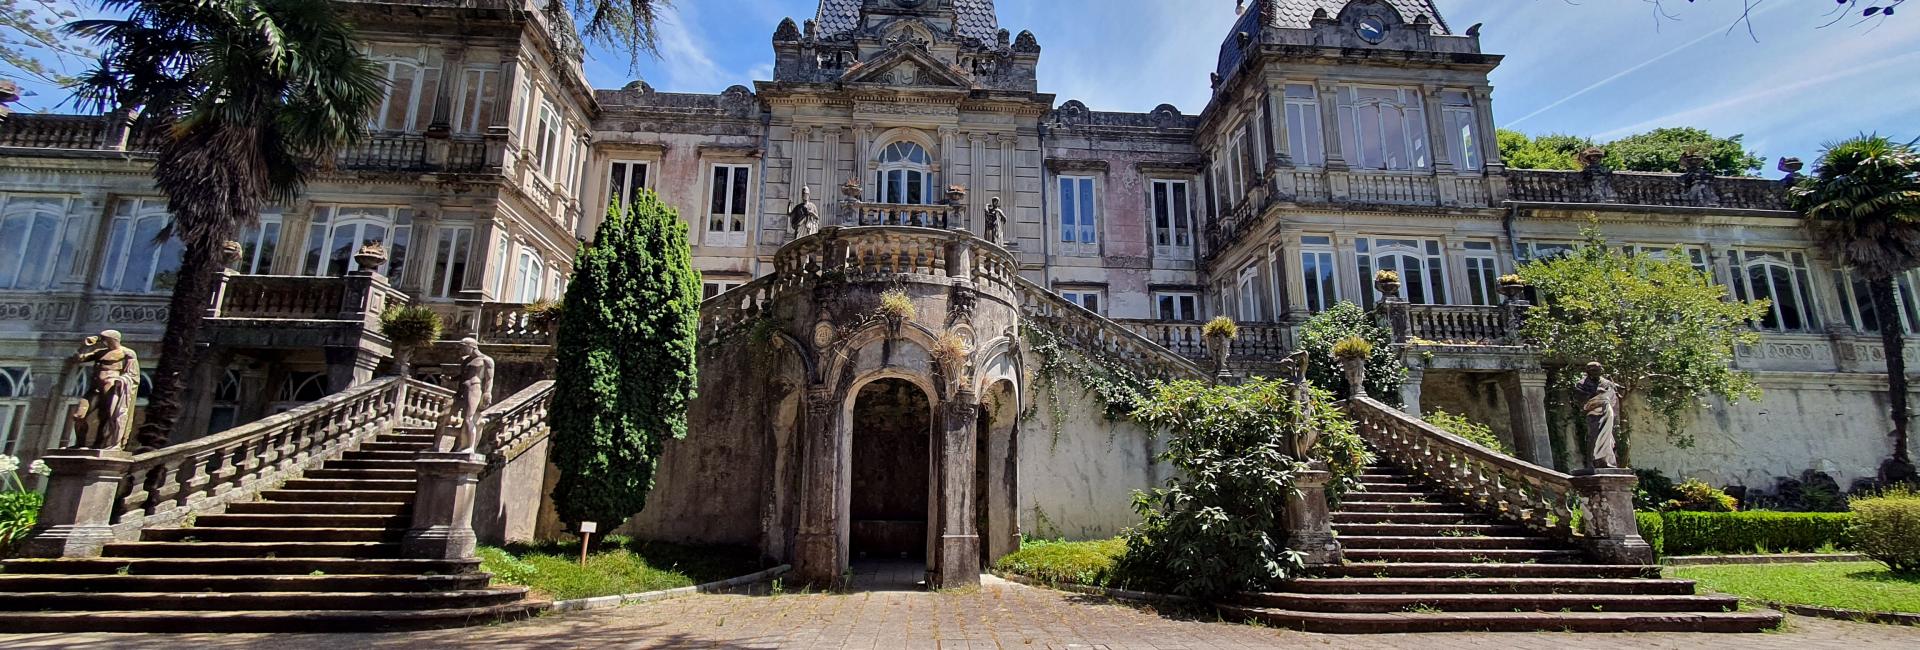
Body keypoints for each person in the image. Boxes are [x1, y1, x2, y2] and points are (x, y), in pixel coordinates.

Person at [71, 330, 140, 451]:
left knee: (108, 418)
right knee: (79, 415)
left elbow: (133, 374)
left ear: (113, 339)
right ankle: (79, 443)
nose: (102, 341)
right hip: (94, 389)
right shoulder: (99, 352)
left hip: (110, 389)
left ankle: (101, 445)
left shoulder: (127, 353)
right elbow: (78, 358)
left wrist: (123, 380)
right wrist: (84, 346)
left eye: (104, 339)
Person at [447, 337, 495, 454]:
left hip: (474, 389)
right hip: (462, 390)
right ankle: (443, 445)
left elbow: (489, 379)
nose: (461, 350)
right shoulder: (466, 360)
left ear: (471, 346)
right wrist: (451, 379)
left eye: (463, 347)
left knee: (469, 418)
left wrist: (487, 392)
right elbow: (464, 375)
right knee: (446, 416)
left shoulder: (486, 360)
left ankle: (471, 447)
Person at [1572, 361, 1622, 469]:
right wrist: (1594, 394)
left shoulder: (1607, 383)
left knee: (1608, 437)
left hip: (1607, 412)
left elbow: (1614, 398)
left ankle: (1605, 461)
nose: (1597, 372)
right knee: (1594, 436)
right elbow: (1579, 399)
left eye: (1599, 370)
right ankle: (1591, 462)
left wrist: (1609, 408)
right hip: (1593, 413)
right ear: (1588, 371)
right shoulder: (1581, 384)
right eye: (1594, 370)